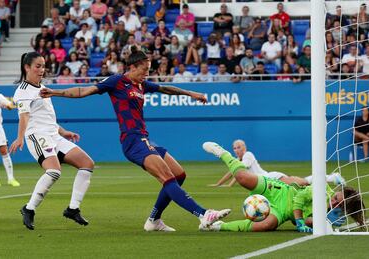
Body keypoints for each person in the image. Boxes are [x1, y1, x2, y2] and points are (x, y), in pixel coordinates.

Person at [39, 46, 231, 232]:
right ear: (132, 67)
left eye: (148, 70)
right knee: (166, 177)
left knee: (179, 175)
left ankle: (154, 220)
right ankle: (203, 214)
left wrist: (191, 93)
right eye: (144, 70)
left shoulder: (141, 84)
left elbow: (165, 89)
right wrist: (57, 93)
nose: (146, 74)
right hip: (132, 140)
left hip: (144, 139)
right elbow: (84, 91)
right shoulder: (116, 81)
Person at [9, 52, 95, 230]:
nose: (42, 70)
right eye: (38, 66)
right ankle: (29, 208)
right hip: (37, 135)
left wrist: (63, 132)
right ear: (27, 67)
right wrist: (19, 138)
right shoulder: (23, 91)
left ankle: (73, 209)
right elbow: (24, 116)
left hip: (53, 135)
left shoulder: (43, 88)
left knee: (87, 164)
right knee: (54, 172)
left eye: (43, 66)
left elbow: (48, 118)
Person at [201, 141, 365, 232]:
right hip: (280, 190)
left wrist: (320, 221)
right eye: (337, 198)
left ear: (345, 209)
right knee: (243, 179)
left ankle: (217, 226)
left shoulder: (335, 219)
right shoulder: (322, 191)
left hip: (282, 211)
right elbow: (300, 199)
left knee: (266, 225)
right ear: (336, 192)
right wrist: (300, 221)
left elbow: (309, 221)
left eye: (340, 204)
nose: (335, 202)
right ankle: (223, 153)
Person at [208, 139, 345, 187]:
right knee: (302, 184)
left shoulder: (248, 155)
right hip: (266, 182)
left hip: (270, 179)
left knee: (301, 183)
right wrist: (219, 184)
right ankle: (331, 178)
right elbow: (233, 172)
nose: (237, 150)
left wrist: (229, 185)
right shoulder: (239, 160)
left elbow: (239, 173)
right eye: (235, 148)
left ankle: (333, 177)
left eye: (239, 147)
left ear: (244, 148)